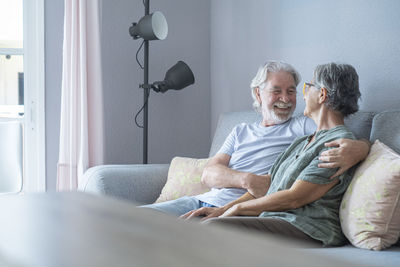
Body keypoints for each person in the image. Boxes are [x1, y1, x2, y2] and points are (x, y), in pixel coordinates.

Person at [142, 61, 369, 219]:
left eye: (291, 91)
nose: (286, 98)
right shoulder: (240, 130)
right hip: (202, 200)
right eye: (276, 91)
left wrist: (361, 148)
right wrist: (247, 179)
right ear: (259, 94)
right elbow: (209, 174)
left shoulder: (303, 125)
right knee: (130, 219)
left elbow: (337, 131)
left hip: (243, 209)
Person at [185, 62, 362, 247]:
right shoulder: (302, 142)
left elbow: (295, 197)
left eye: (307, 87)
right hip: (277, 218)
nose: (302, 94)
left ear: (322, 94)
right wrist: (222, 210)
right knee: (201, 225)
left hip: (308, 226)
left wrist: (238, 208)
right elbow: (270, 186)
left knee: (212, 229)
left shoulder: (337, 145)